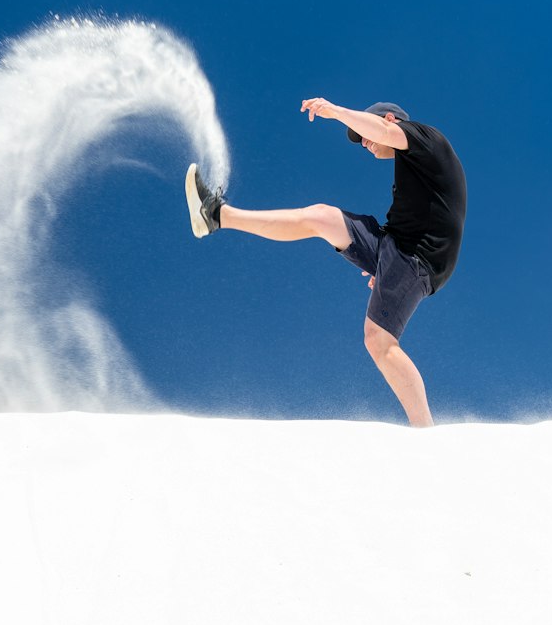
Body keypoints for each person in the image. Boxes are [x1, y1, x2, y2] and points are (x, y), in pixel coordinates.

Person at [185, 99, 467, 428]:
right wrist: (383, 268)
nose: (364, 143)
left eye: (363, 135)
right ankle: (217, 216)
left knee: (378, 340)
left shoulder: (426, 139)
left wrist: (335, 112)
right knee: (321, 217)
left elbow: (384, 131)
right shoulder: (412, 169)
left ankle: (426, 432)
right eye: (360, 140)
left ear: (391, 120)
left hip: (418, 257)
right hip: (395, 247)